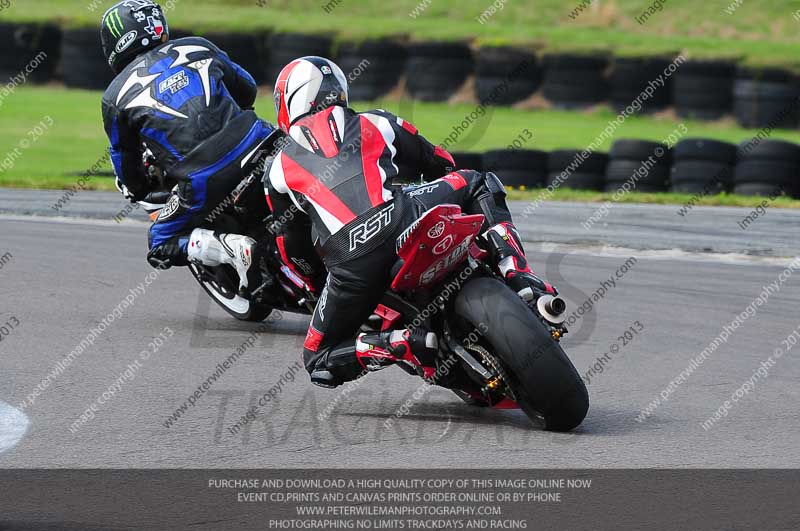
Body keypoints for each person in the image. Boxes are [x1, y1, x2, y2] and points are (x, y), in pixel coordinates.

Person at [266, 56, 558, 388]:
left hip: (350, 264)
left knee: (317, 358)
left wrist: (318, 283)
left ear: (288, 103)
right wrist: (438, 193)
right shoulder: (376, 120)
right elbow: (440, 162)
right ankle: (518, 274)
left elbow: (291, 246)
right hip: (404, 217)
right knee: (478, 182)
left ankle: (397, 343)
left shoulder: (276, 169)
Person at [100, 0, 280, 290]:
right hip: (260, 139)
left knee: (159, 242)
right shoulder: (197, 46)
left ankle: (229, 249)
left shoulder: (114, 96)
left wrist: (139, 189)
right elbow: (246, 89)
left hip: (201, 177)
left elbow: (124, 156)